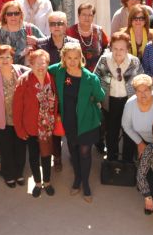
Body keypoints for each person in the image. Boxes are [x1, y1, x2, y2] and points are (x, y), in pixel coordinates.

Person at [49, 42, 105, 202]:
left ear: (81, 58)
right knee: (73, 150)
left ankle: (86, 184)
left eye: (76, 58)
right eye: (69, 58)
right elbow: (42, 69)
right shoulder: (59, 71)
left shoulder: (90, 77)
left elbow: (100, 96)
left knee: (85, 153)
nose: (72, 61)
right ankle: (77, 179)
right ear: (64, 58)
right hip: (69, 120)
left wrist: (91, 98)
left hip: (87, 122)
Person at [35, 11, 79, 170]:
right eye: (53, 24)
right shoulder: (41, 44)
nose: (56, 27)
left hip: (69, 90)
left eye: (60, 23)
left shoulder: (74, 43)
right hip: (49, 92)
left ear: (66, 25)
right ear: (49, 26)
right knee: (53, 126)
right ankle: (57, 156)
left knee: (71, 124)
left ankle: (74, 155)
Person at [0, 45, 30, 188]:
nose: (5, 60)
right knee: (6, 148)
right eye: (1, 57)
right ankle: (8, 174)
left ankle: (19, 173)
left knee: (21, 147)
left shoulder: (19, 70)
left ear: (12, 58)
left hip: (19, 119)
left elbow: (35, 70)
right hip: (1, 119)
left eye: (8, 57)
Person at [13, 50, 58, 197]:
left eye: (43, 63)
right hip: (31, 127)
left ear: (47, 64)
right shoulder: (24, 81)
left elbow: (56, 102)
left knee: (46, 155)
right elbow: (17, 107)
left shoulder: (51, 79)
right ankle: (38, 183)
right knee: (33, 156)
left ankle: (47, 181)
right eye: (36, 63)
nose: (40, 66)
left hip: (47, 127)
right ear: (30, 64)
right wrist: (19, 129)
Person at [93, 32, 144, 162]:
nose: (118, 52)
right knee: (111, 132)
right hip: (109, 102)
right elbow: (95, 79)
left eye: (122, 49)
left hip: (129, 102)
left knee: (129, 132)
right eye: (115, 48)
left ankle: (127, 161)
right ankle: (112, 159)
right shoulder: (104, 60)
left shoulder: (134, 61)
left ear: (127, 49)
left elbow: (141, 81)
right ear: (111, 48)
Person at [0, 1, 45, 65]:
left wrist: (37, 41)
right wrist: (22, 53)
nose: (13, 16)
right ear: (5, 16)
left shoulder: (30, 28)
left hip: (29, 70)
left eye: (16, 13)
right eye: (9, 14)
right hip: (6, 71)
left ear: (21, 15)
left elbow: (47, 44)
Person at [66, 3, 109, 71]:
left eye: (90, 15)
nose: (87, 18)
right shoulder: (70, 32)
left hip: (97, 72)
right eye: (84, 15)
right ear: (78, 16)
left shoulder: (99, 31)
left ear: (93, 17)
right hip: (76, 72)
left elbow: (107, 47)